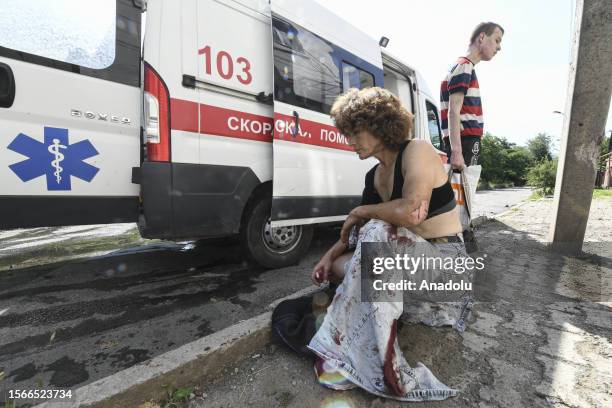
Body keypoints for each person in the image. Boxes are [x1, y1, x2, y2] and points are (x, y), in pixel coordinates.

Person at [308, 87, 473, 401]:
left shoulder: (418, 151)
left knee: (379, 229)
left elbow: (412, 212)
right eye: (346, 133)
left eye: (355, 132)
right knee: (345, 262)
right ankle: (355, 340)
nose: (350, 141)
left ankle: (376, 358)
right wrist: (327, 258)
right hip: (407, 271)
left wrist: (361, 211)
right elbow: (355, 232)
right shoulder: (374, 176)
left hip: (446, 274)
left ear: (380, 125)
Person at [440, 22, 504, 169]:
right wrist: (457, 152)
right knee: (463, 190)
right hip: (465, 142)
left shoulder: (461, 66)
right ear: (481, 37)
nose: (499, 47)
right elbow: (453, 111)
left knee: (461, 190)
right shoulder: (464, 66)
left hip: (465, 141)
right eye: (497, 40)